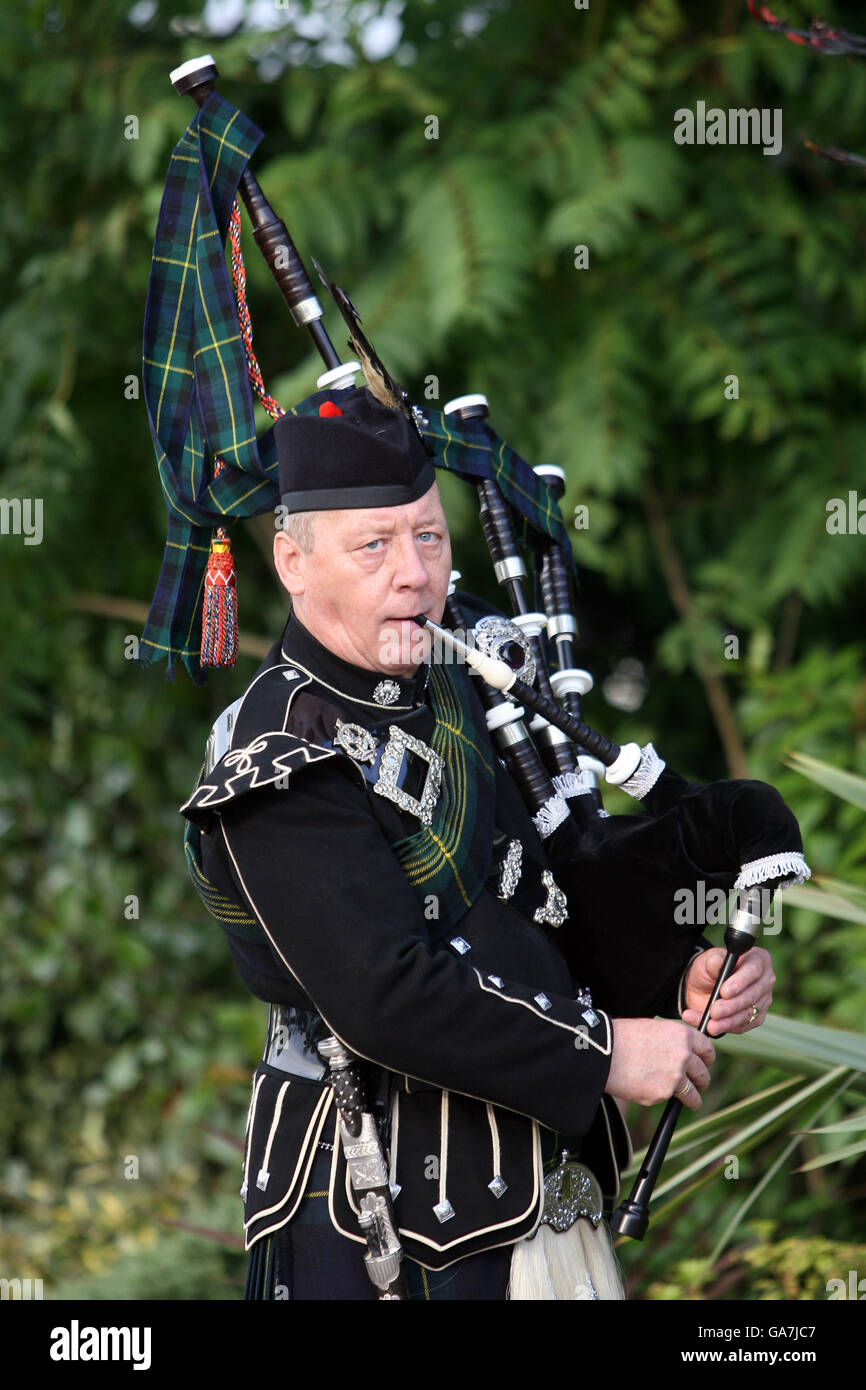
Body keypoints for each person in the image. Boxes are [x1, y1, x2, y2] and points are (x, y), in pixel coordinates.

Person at [180, 387, 792, 1301]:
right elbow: (386, 992)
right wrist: (607, 1056)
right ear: (292, 564)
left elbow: (541, 903)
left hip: (534, 1192)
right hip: (372, 1216)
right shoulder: (280, 756)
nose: (414, 573)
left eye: (429, 536)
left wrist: (678, 974)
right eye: (374, 545)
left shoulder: (458, 694)